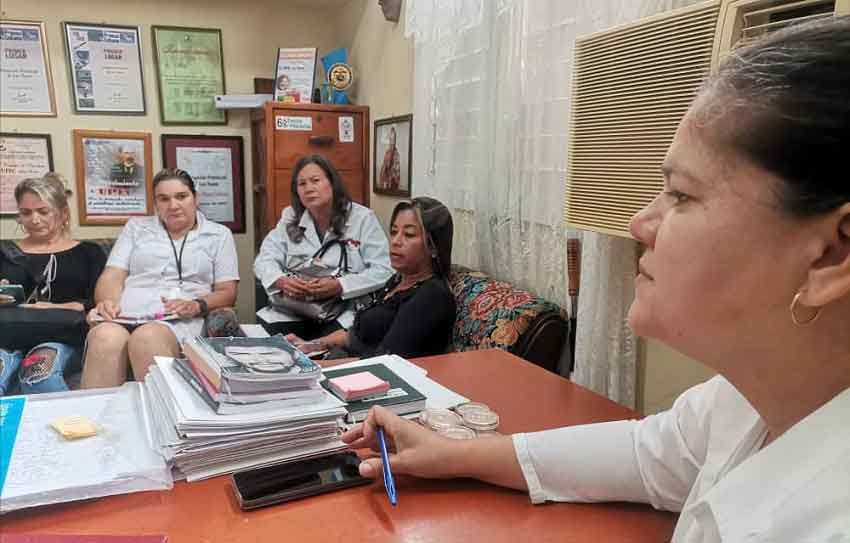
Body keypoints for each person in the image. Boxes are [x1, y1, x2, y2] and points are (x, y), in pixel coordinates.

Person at [341, 17, 850, 541]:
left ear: (831, 254)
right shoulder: (748, 398)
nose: (640, 222)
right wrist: (455, 454)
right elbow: (647, 454)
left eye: (681, 195)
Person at [80, 168, 239, 387]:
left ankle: (164, 419)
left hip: (177, 321)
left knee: (146, 338)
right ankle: (97, 420)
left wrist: (196, 305)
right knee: (104, 337)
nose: (173, 205)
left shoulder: (218, 235)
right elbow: (113, 274)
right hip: (127, 314)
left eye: (181, 196)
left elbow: (227, 292)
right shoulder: (136, 227)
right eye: (163, 199)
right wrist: (106, 301)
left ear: (195, 198)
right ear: (156, 204)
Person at [287, 197, 456, 359]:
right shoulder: (397, 281)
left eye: (409, 235)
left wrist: (317, 367)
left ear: (434, 247)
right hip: (352, 363)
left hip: (379, 377)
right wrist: (311, 346)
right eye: (394, 232)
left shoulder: (431, 296)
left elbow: (385, 360)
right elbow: (354, 335)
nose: (396, 241)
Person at [254, 154, 394, 340]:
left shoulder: (362, 219)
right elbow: (264, 260)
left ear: (332, 183)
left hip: (342, 313)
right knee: (269, 348)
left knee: (325, 347)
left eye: (315, 180)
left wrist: (339, 285)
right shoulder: (290, 217)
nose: (309, 188)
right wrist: (282, 281)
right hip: (295, 310)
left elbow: (384, 270)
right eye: (302, 184)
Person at [0, 174, 106, 394]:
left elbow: (98, 303)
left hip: (63, 337)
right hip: (8, 336)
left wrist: (49, 307)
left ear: (63, 213)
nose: (34, 220)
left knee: (38, 377)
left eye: (43, 211)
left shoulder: (89, 253)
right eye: (26, 213)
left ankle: (71, 428)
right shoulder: (4, 252)